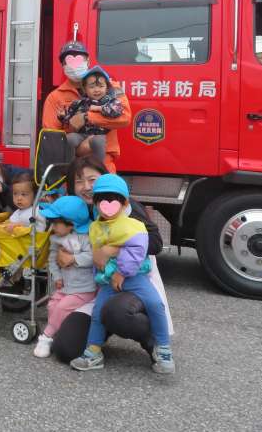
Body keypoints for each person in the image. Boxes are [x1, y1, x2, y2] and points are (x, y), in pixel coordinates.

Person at [49, 156, 174, 364]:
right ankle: (95, 345)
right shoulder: (74, 211)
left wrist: (109, 249)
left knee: (117, 312)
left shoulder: (124, 206)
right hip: (92, 287)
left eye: (92, 179)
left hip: (129, 280)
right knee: (66, 349)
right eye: (79, 181)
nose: (86, 187)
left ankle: (155, 342)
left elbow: (155, 243)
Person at [41, 41, 131, 172]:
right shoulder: (54, 97)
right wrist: (79, 145)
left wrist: (87, 117)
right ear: (63, 65)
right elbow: (52, 137)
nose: (74, 65)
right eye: (69, 61)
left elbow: (125, 118)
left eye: (79, 59)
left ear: (88, 61)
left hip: (104, 162)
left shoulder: (112, 87)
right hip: (71, 165)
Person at [33, 195, 96, 359]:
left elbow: (92, 257)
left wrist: (73, 259)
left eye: (56, 223)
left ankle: (46, 337)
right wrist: (57, 277)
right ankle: (58, 333)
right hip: (66, 286)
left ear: (72, 223)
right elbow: (52, 259)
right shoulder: (56, 239)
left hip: (84, 288)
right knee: (52, 305)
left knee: (62, 308)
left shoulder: (86, 237)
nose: (52, 227)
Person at [61, 65, 124, 164]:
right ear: (85, 89)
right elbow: (69, 118)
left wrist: (100, 108)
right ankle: (70, 167)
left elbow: (117, 110)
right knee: (70, 138)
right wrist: (62, 116)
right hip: (82, 134)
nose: (96, 90)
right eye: (92, 87)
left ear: (107, 88)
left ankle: (99, 167)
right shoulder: (79, 103)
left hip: (99, 135)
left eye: (101, 86)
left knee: (98, 142)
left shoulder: (110, 101)